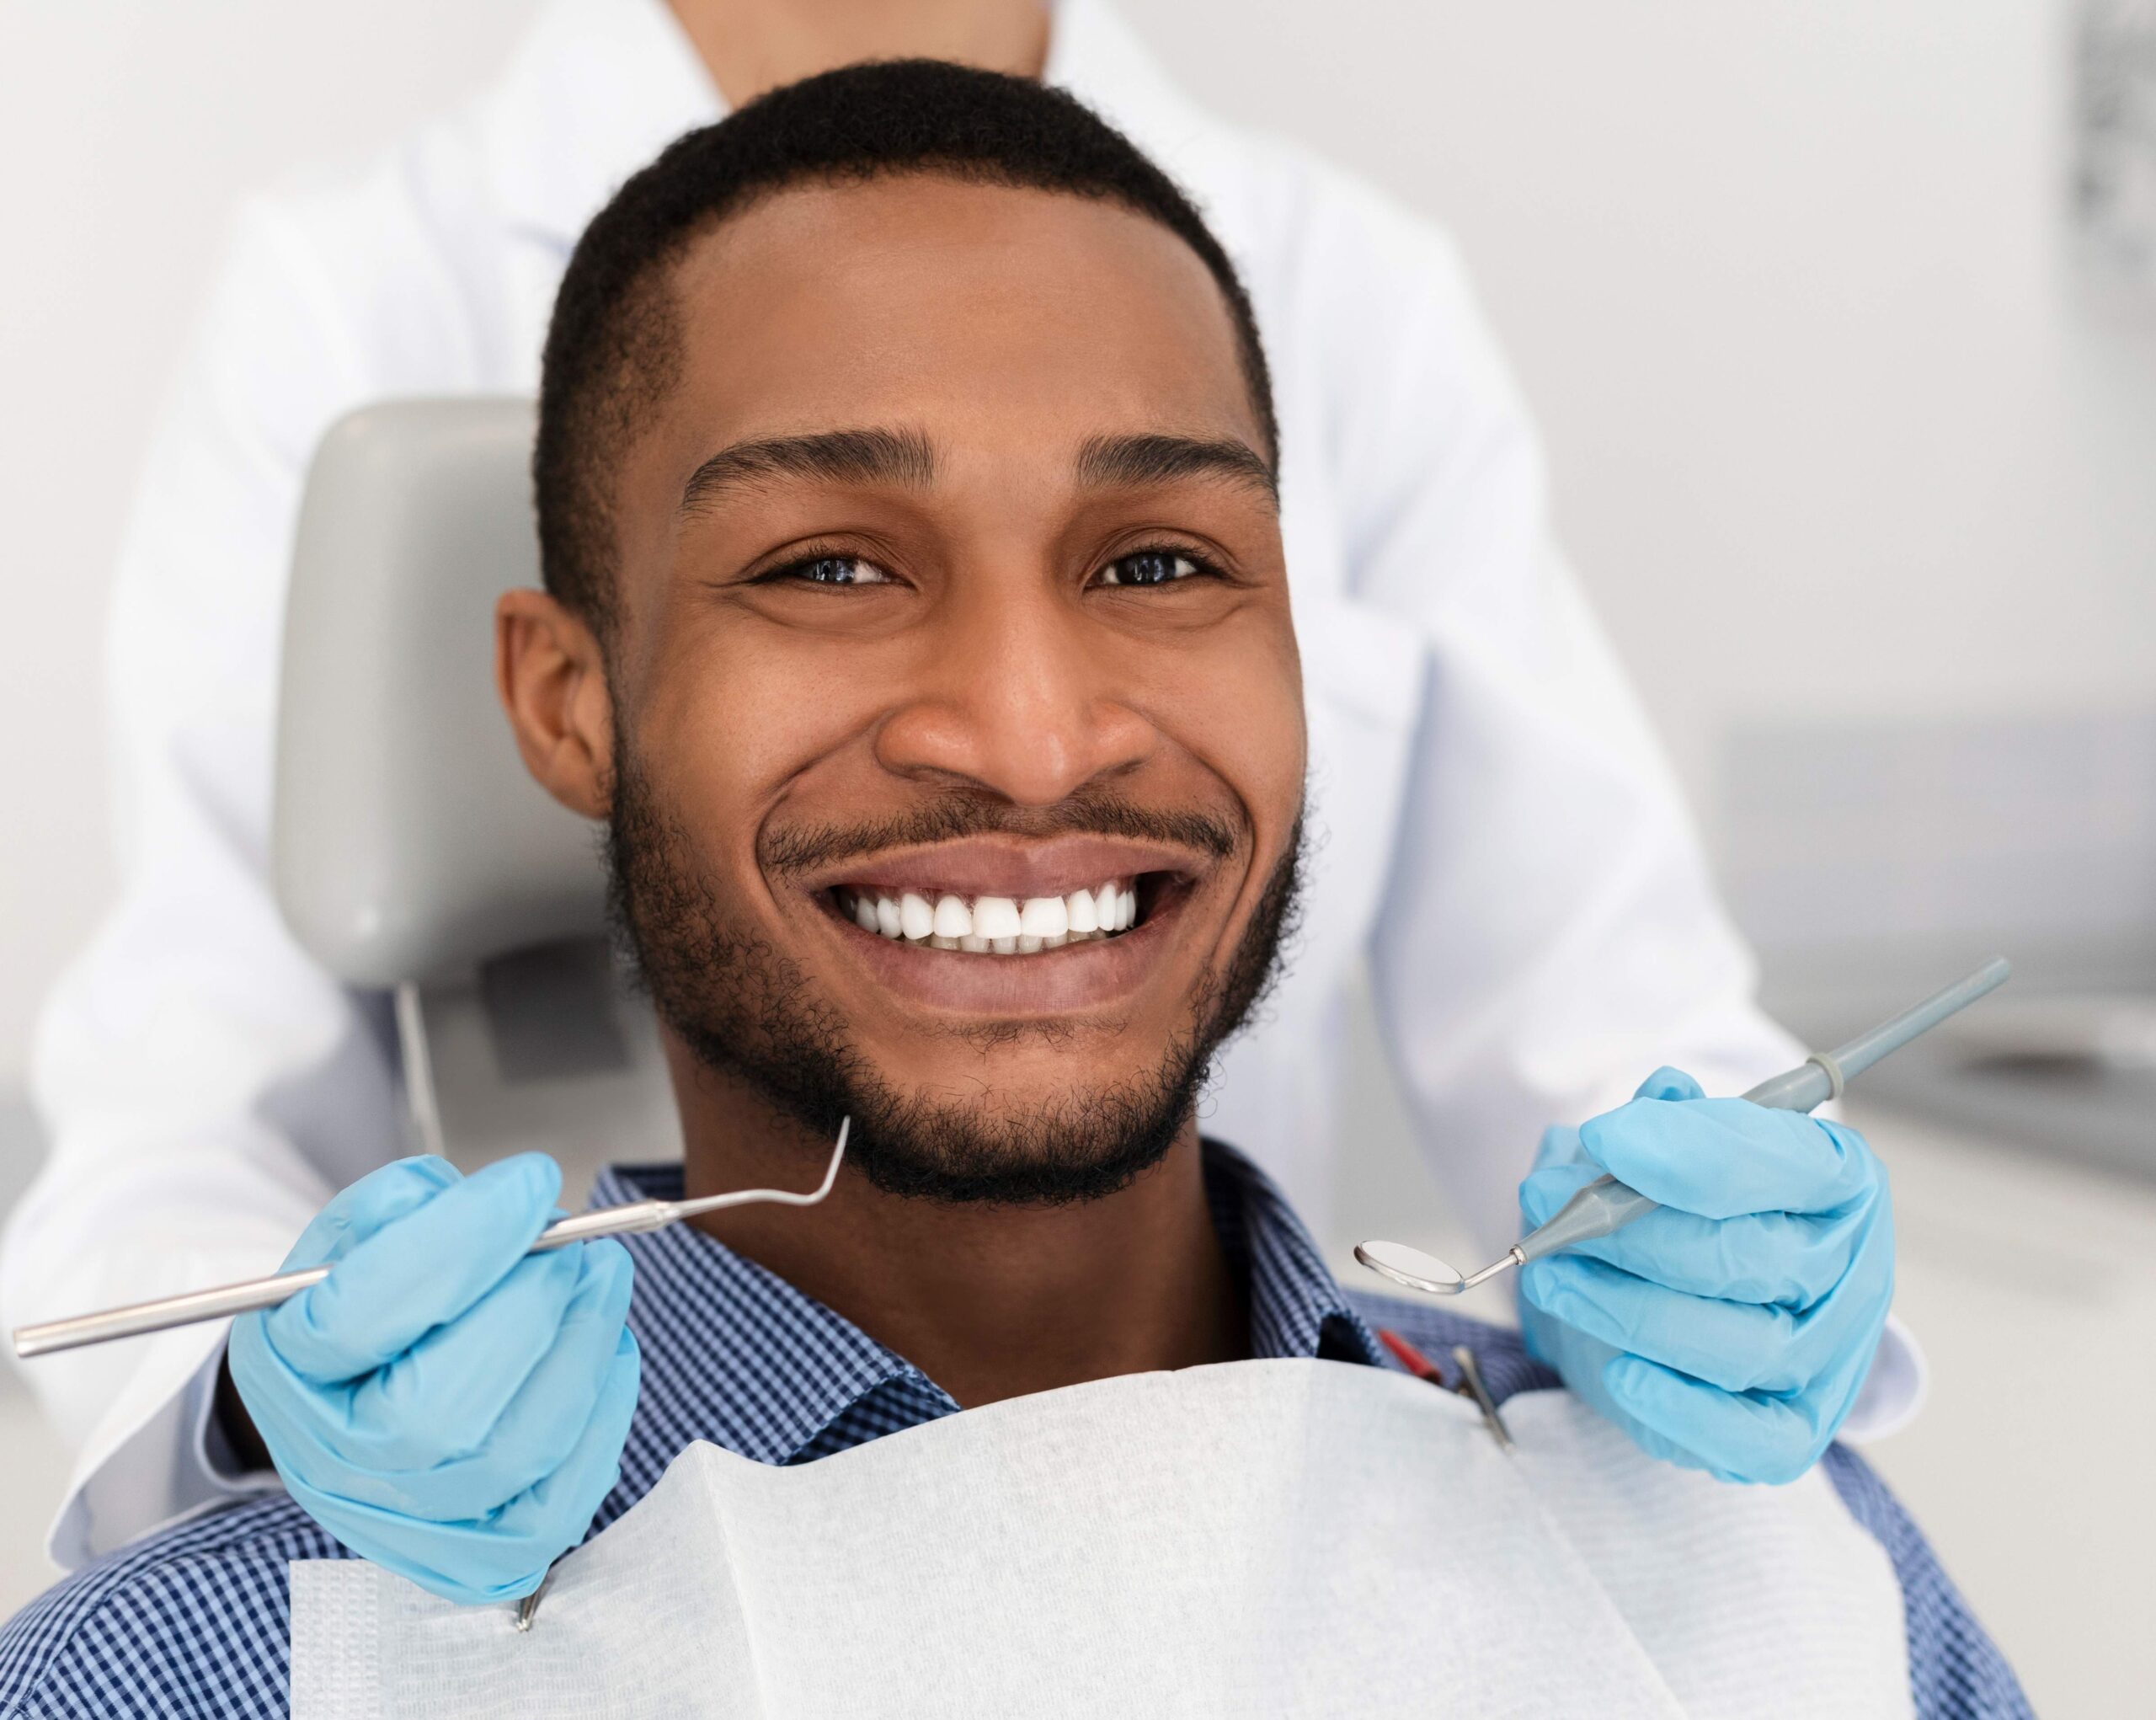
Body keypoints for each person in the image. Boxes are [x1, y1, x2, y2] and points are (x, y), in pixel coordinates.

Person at [0, 67, 2025, 1717]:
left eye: (1157, 563)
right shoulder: (240, 1667)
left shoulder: (1786, 1601)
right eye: (825, 566)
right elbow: (189, 1080)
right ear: (563, 697)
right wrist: (272, 1411)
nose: (1035, 737)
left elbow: (1607, 1001)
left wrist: (1729, 1273)